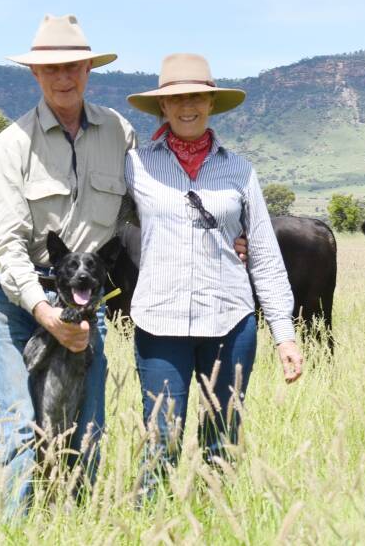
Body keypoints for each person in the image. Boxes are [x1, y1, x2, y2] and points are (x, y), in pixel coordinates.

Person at [123, 53, 304, 493]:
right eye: (177, 98)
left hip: (230, 319)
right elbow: (95, 215)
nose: (188, 106)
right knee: (161, 438)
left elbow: (262, 252)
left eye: (198, 97)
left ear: (211, 104)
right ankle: (152, 529)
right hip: (159, 320)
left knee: (221, 440)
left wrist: (285, 333)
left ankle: (217, 527)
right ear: (162, 107)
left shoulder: (239, 171)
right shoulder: (136, 166)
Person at [0, 14, 133, 519]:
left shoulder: (118, 131)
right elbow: (4, 244)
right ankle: (7, 529)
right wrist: (47, 314)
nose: (63, 78)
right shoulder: (12, 144)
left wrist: (223, 232)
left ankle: (75, 525)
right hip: (19, 301)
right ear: (35, 76)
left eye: (72, 66)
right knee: (20, 428)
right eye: (51, 70)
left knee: (84, 429)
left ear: (89, 68)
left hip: (86, 302)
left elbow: (149, 207)